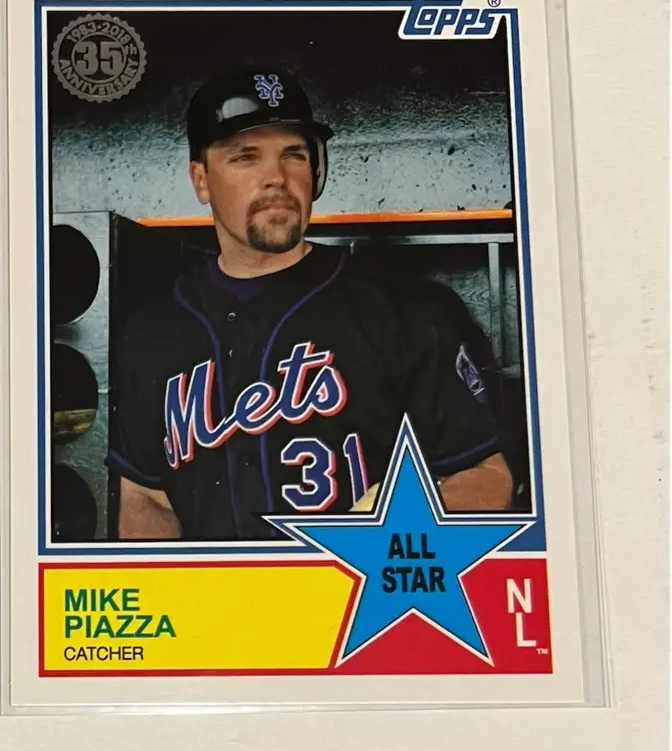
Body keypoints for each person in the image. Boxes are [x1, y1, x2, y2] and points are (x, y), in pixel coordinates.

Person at [106, 67, 514, 541]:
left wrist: (393, 528)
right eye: (245, 157)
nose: (276, 178)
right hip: (215, 590)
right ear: (201, 180)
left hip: (359, 585)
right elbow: (146, 497)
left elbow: (488, 475)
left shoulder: (405, 309)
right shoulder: (154, 329)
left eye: (294, 154)